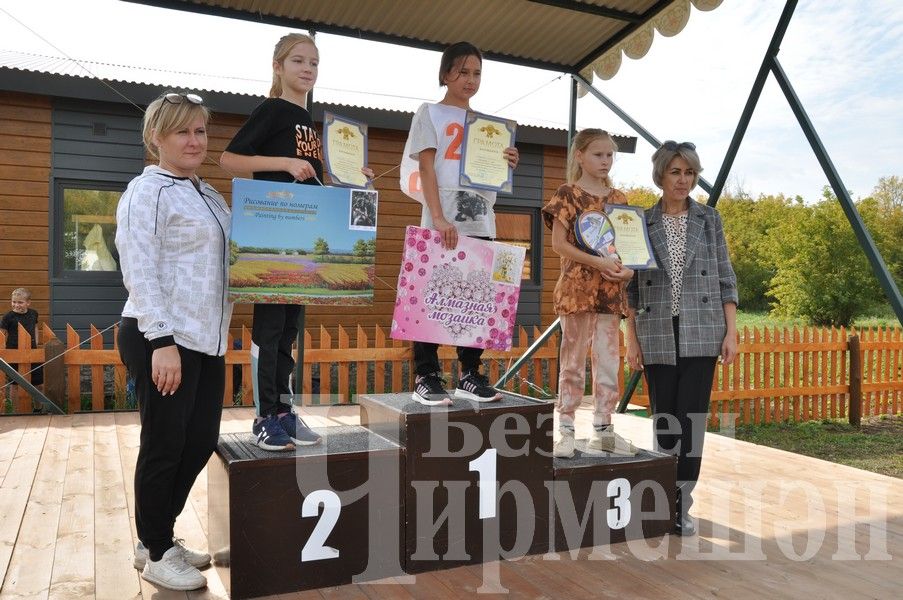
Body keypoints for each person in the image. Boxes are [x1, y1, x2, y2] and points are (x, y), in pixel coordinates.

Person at [221, 33, 372, 451]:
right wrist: (285, 162)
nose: (307, 69)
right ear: (278, 67)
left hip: (303, 237)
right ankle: (264, 416)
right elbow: (230, 159)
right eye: (298, 61)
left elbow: (318, 184)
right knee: (269, 331)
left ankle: (285, 411)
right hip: (271, 231)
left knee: (288, 331)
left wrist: (356, 183)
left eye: (314, 63)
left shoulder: (316, 126)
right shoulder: (273, 110)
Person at [116, 91, 233, 591]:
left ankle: (154, 537)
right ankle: (158, 550)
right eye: (182, 130)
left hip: (208, 338)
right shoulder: (147, 192)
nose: (193, 140)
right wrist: (160, 339)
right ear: (156, 137)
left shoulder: (210, 195)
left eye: (200, 131)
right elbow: (138, 266)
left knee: (200, 439)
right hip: (160, 335)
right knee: (165, 442)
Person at [625, 141, 738, 536]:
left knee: (692, 421)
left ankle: (681, 504)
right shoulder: (640, 221)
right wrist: (631, 339)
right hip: (656, 330)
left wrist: (732, 333)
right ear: (661, 175)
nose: (683, 180)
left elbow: (725, 277)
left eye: (689, 172)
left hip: (702, 329)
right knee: (665, 421)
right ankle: (661, 499)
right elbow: (631, 290)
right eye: (675, 172)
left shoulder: (710, 219)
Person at [400, 41, 519, 406]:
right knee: (432, 291)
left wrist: (506, 161)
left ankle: (469, 372)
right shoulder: (430, 113)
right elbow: (425, 166)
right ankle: (427, 374)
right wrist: (438, 217)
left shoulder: (488, 126)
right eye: (462, 72)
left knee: (477, 294)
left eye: (477, 73)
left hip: (480, 216)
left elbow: (491, 176)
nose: (470, 79)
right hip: (443, 217)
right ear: (445, 74)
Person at [541, 129, 637, 458]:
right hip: (575, 291)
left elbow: (628, 248)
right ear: (579, 156)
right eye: (598, 154)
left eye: (610, 155)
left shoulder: (620, 199)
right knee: (572, 361)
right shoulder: (568, 194)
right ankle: (565, 429)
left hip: (610, 293)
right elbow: (558, 245)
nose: (605, 161)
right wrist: (598, 260)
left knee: (608, 361)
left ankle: (603, 428)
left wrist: (628, 270)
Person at [1, 288, 44, 411]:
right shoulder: (8, 317)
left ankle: (38, 409)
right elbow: (2, 333)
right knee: (15, 385)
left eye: (20, 302)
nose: (16, 305)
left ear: (28, 303)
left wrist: (35, 343)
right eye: (14, 302)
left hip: (32, 352)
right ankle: (16, 412)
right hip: (13, 353)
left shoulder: (33, 314)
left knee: (39, 384)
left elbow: (35, 327)